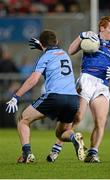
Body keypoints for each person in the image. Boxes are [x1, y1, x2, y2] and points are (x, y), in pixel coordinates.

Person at [45, 16, 110, 163]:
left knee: (101, 121)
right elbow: (71, 50)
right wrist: (81, 36)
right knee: (77, 116)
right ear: (102, 28)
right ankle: (57, 146)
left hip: (103, 84)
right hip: (86, 80)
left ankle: (93, 153)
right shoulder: (90, 38)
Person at [6, 29, 86, 163]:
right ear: (57, 42)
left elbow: (33, 80)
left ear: (42, 44)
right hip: (72, 99)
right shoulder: (65, 54)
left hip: (55, 96)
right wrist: (43, 47)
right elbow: (53, 50)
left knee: (23, 119)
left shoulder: (44, 57)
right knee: (61, 133)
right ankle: (74, 138)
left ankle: (27, 154)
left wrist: (16, 96)